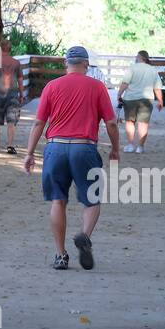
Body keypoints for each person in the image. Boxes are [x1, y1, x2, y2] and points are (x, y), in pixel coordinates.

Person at [23, 45, 119, 270]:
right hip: (83, 148)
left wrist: (28, 153)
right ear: (86, 64)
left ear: (66, 63)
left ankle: (60, 255)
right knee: (92, 199)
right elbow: (112, 123)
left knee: (58, 200)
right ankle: (84, 236)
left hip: (55, 148)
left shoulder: (52, 86)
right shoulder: (97, 87)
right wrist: (115, 149)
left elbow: (39, 123)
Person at [115, 50, 164, 154]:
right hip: (146, 100)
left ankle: (130, 145)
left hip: (130, 98)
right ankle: (140, 147)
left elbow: (125, 83)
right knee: (143, 124)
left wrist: (119, 94)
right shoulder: (152, 70)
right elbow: (157, 88)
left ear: (139, 57)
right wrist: (160, 101)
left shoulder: (132, 68)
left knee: (130, 122)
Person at [0, 39, 25, 154]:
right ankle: (10, 146)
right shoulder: (16, 62)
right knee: (12, 121)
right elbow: (20, 80)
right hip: (13, 95)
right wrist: (21, 95)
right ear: (10, 49)